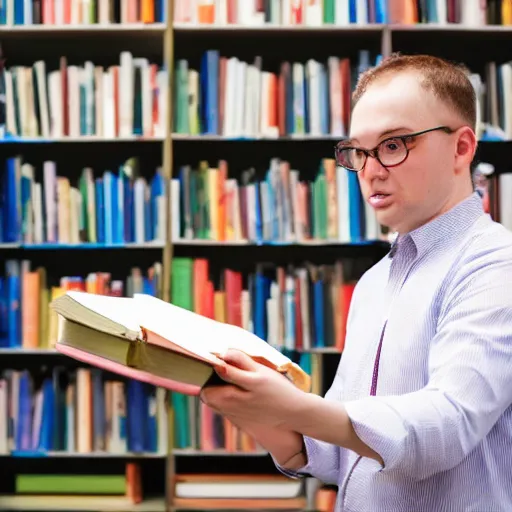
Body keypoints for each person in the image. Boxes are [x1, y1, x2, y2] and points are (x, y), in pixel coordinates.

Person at [200, 53, 512, 512]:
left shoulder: (496, 265)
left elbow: (446, 427)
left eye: (393, 145)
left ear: (462, 148)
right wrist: (257, 411)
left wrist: (293, 408)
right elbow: (344, 452)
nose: (370, 170)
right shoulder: (372, 283)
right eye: (359, 151)